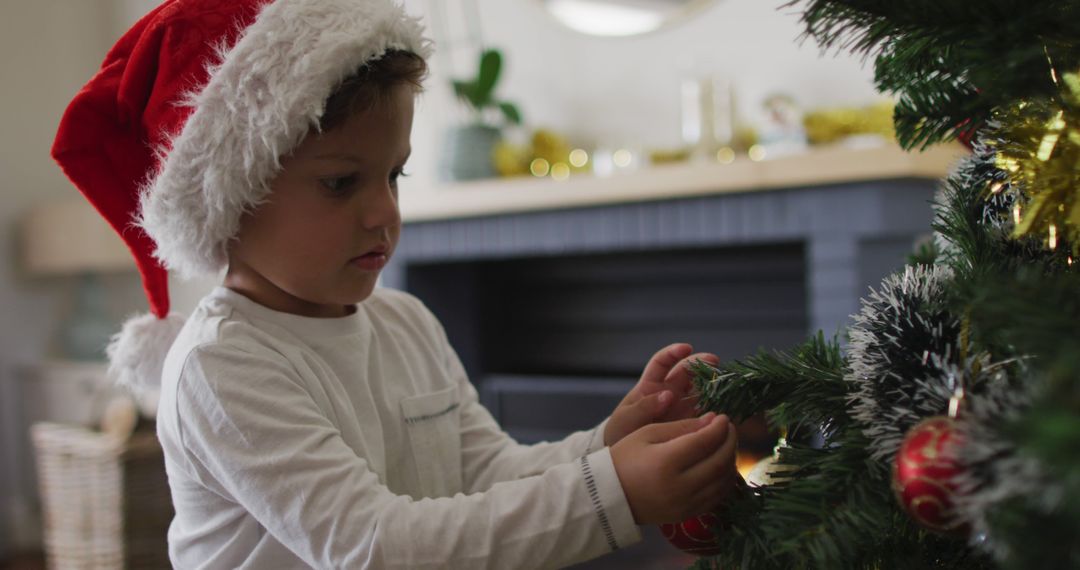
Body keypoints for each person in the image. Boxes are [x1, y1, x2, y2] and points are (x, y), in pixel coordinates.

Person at [51, 0, 740, 567]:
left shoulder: (405, 321)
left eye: (394, 174)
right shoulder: (222, 365)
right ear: (232, 197)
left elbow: (484, 476)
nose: (384, 210)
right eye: (341, 182)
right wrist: (613, 495)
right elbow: (373, 545)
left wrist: (608, 446)